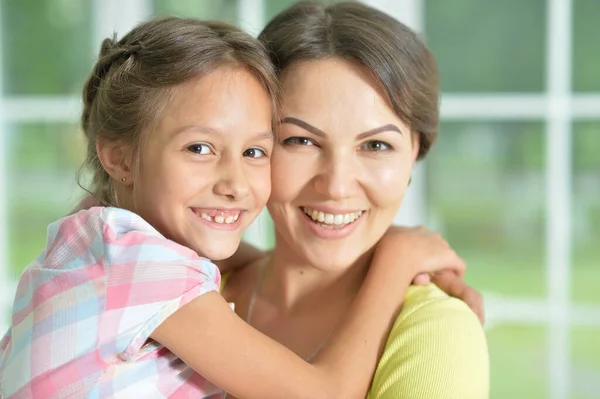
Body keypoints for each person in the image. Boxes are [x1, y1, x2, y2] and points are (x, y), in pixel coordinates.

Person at [0, 17, 466, 399]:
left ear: (417, 152)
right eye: (299, 140)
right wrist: (398, 258)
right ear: (118, 157)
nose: (234, 184)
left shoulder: (99, 236)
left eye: (254, 152)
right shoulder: (142, 268)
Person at [222, 2, 490, 398]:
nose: (336, 186)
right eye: (301, 140)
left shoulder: (434, 329)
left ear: (415, 152)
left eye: (376, 145)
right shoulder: (194, 289)